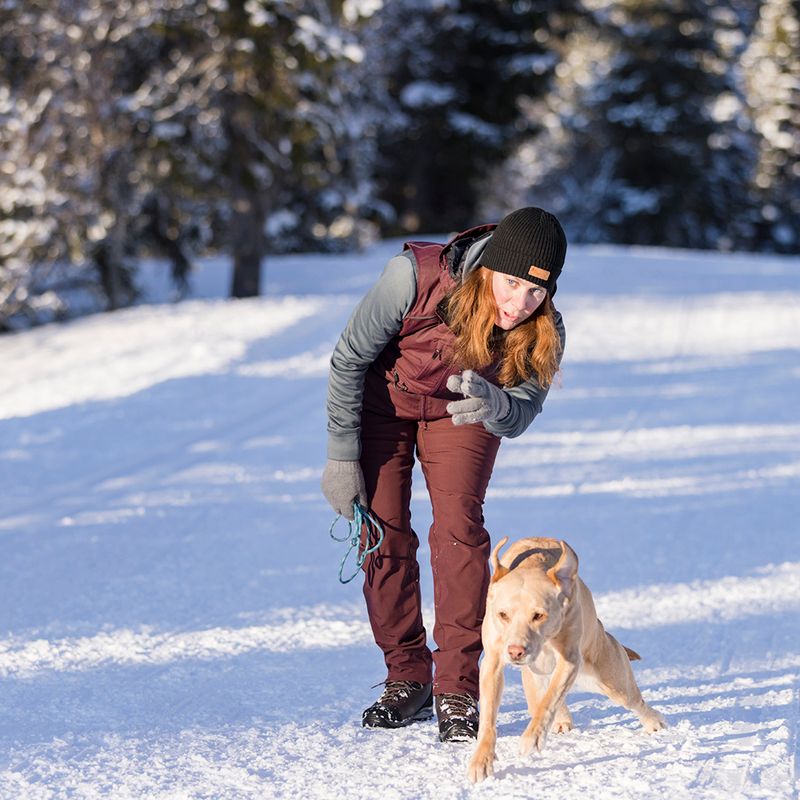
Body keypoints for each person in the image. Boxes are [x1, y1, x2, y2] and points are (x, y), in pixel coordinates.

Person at [321, 207, 567, 742]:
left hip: (466, 409)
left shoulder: (544, 330)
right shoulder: (412, 277)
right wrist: (342, 455)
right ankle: (406, 677)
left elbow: (521, 413)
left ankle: (457, 688)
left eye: (536, 292)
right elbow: (347, 359)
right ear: (488, 270)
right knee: (381, 531)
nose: (519, 303)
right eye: (511, 283)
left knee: (459, 530)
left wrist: (494, 402)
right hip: (385, 406)